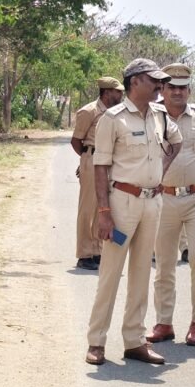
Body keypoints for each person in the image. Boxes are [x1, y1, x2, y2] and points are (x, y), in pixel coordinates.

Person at [85, 59, 182, 366]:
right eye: (154, 80)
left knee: (142, 273)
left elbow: (176, 143)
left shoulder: (159, 116)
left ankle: (134, 341)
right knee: (111, 273)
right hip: (121, 202)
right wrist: (103, 211)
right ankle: (97, 342)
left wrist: (160, 172)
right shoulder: (112, 118)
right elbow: (100, 167)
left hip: (152, 202)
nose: (160, 86)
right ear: (135, 81)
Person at [148, 63, 195, 347]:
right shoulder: (151, 117)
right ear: (162, 90)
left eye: (183, 88)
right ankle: (163, 323)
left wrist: (194, 176)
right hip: (163, 198)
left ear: (189, 90)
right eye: (171, 88)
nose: (178, 92)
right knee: (164, 263)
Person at [71, 76, 124, 271]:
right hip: (92, 160)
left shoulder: (116, 113)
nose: (121, 95)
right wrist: (86, 159)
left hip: (110, 162)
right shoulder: (89, 111)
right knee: (88, 209)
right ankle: (85, 254)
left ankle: (98, 251)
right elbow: (76, 140)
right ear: (107, 92)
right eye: (118, 91)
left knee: (103, 208)